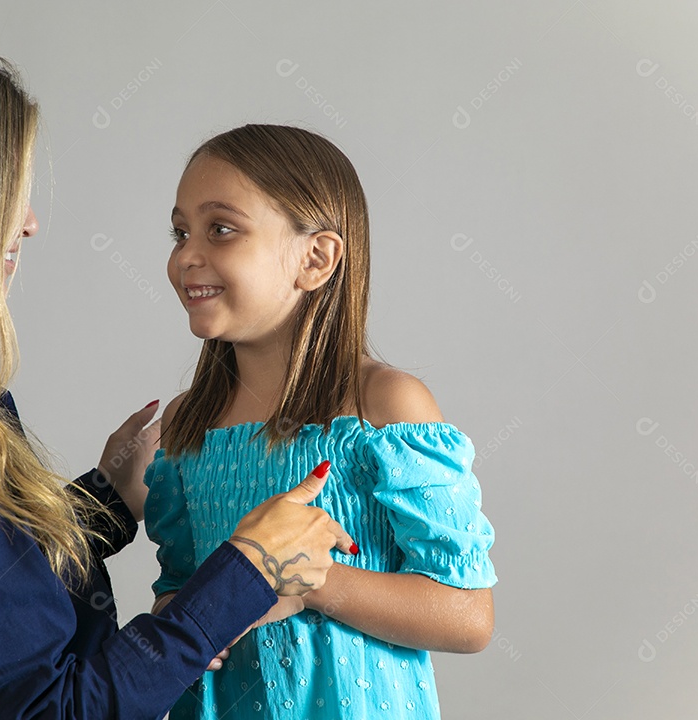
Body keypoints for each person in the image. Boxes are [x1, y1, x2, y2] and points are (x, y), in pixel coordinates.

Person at [0, 33, 353, 720]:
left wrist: (107, 501)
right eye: (6, 194)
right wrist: (241, 580)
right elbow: (46, 709)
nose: (27, 223)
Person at [144, 124, 498, 719]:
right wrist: (185, 623)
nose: (186, 255)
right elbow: (176, 592)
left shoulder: (385, 408)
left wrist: (311, 580)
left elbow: (468, 617)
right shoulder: (187, 428)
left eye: (221, 229)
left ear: (316, 258)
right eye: (181, 232)